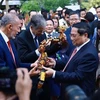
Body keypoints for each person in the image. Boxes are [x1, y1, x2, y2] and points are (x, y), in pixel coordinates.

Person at [33, 22, 99, 100]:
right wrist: (55, 63)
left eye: (74, 36)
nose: (71, 38)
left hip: (78, 94)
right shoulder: (79, 46)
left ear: (85, 35)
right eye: (70, 35)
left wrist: (54, 73)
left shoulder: (89, 54)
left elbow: (77, 76)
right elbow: (71, 62)